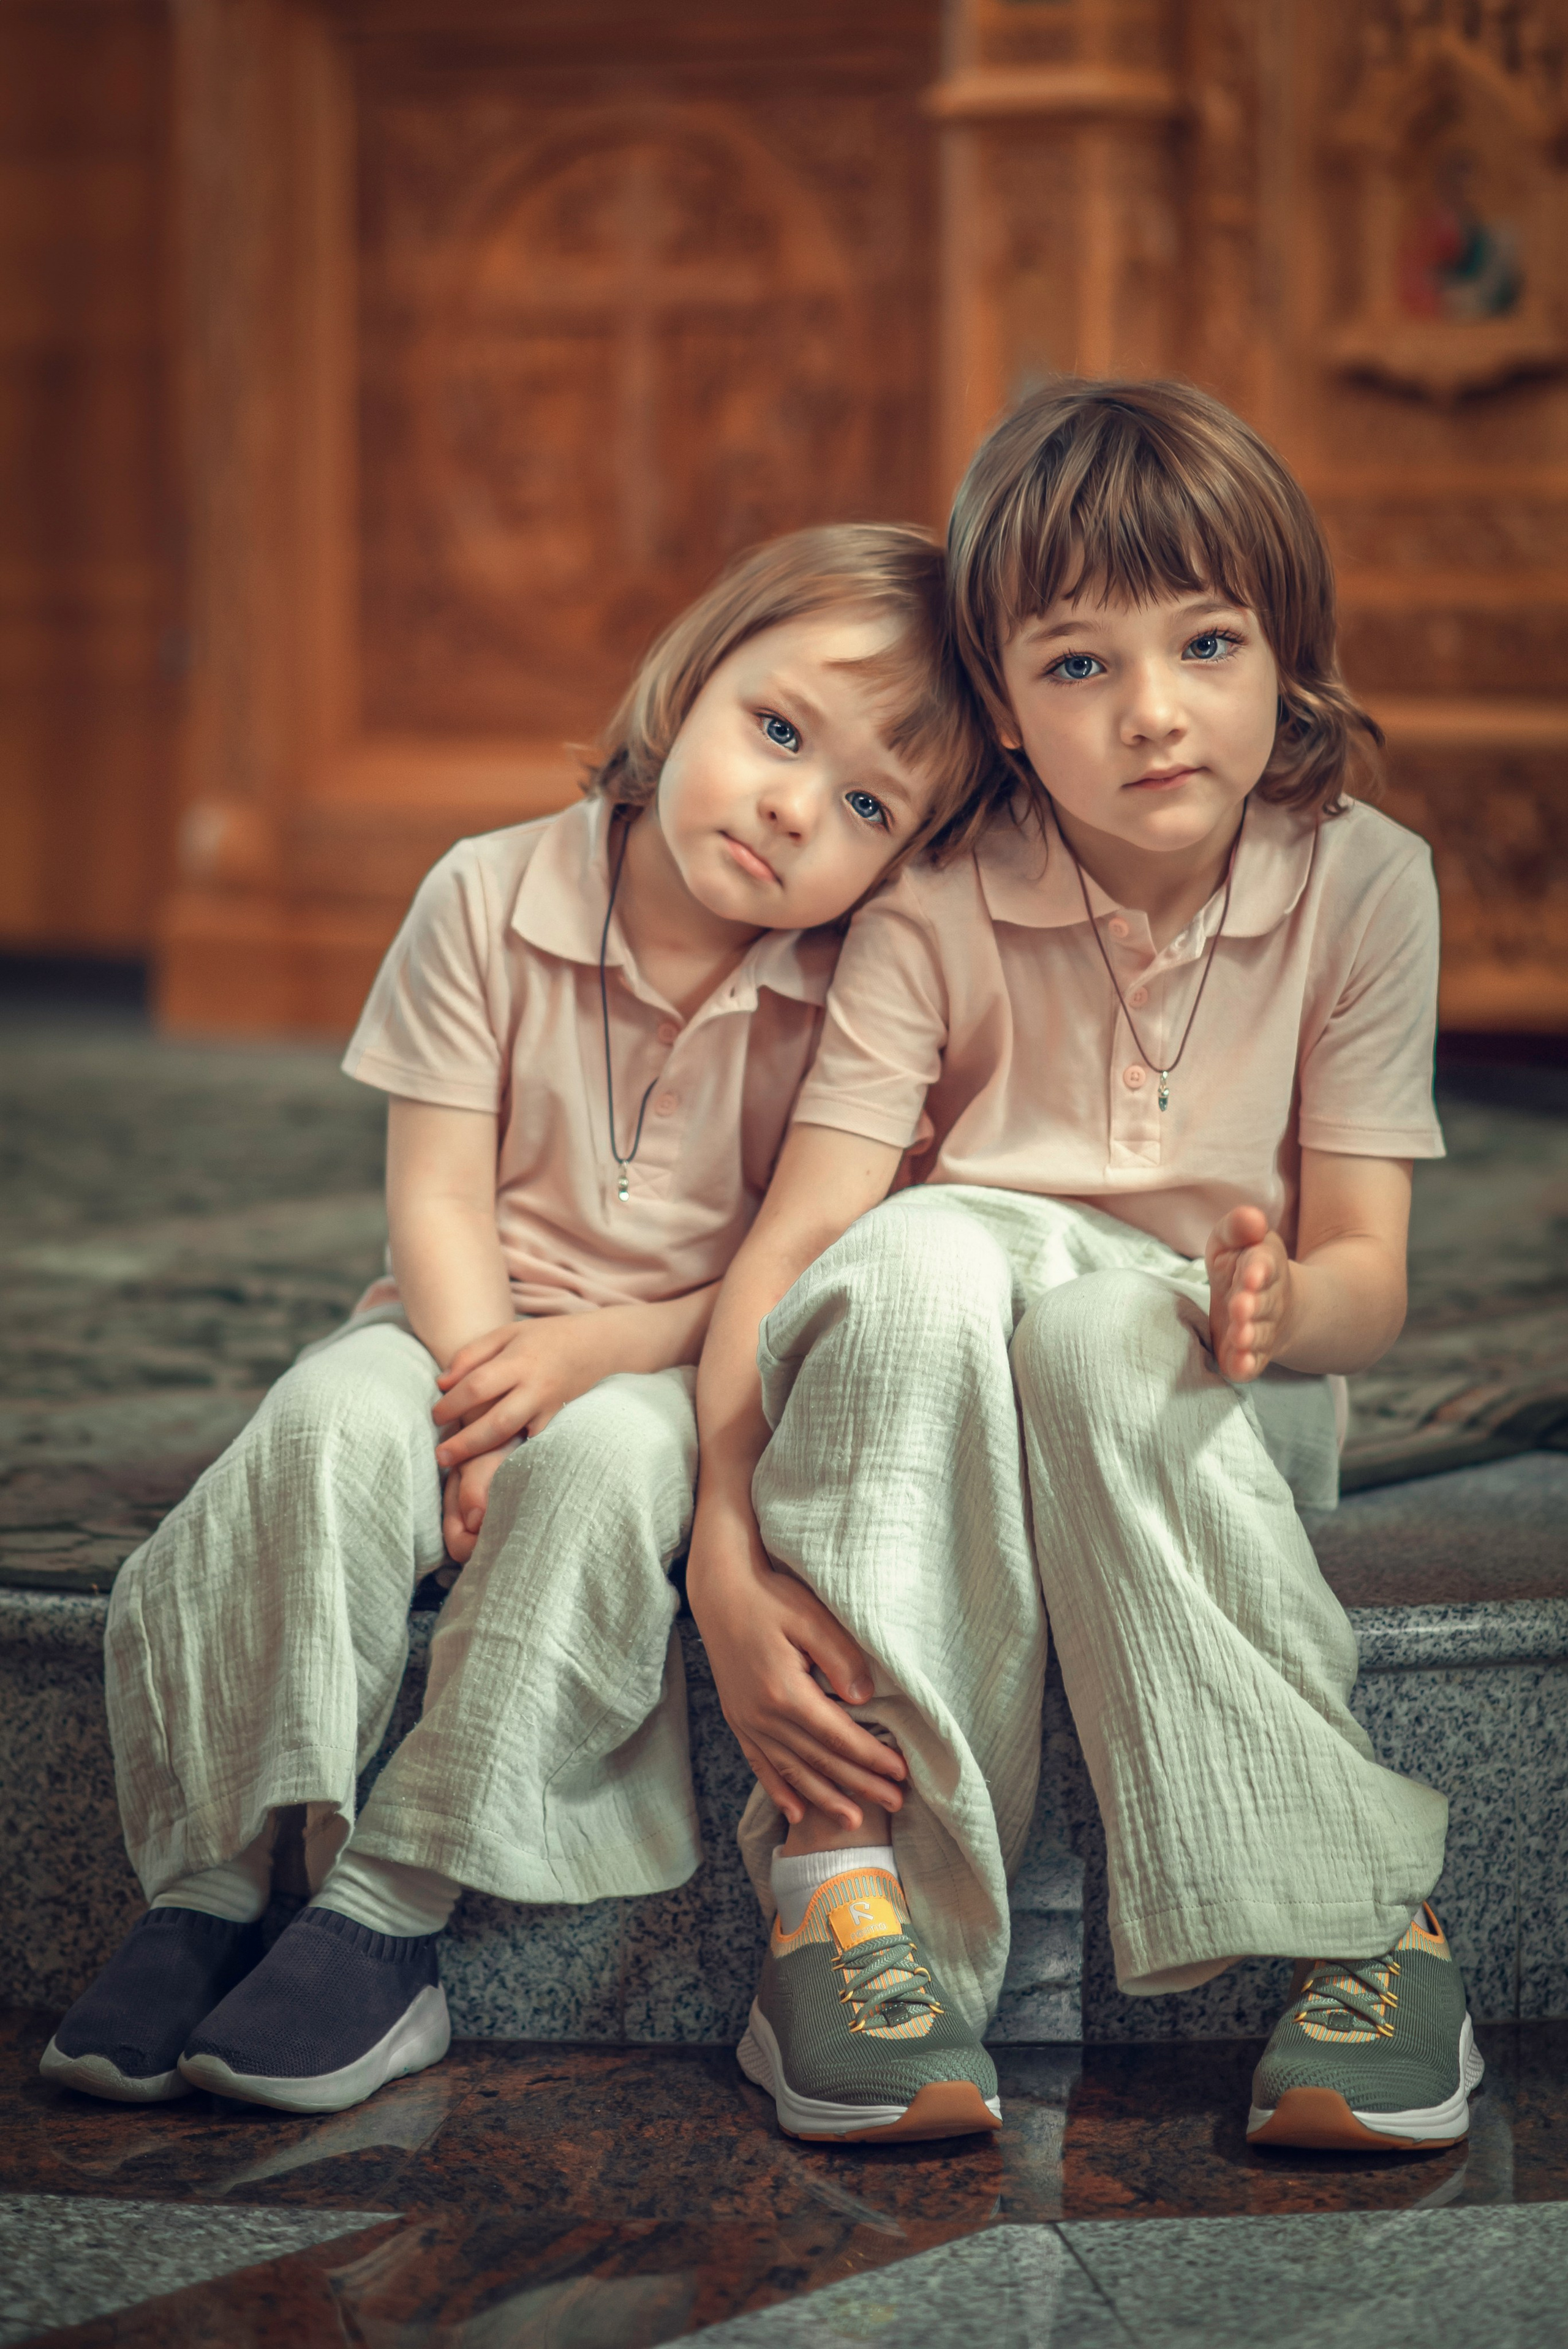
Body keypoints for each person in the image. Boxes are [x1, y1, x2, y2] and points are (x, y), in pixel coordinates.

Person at [42, 526, 1001, 2116]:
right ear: (691, 681)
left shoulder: (851, 989)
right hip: (455, 1312)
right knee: (330, 1420)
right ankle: (211, 1876)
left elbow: (791, 1253)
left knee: (607, 1471)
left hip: (675, 1361)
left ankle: (388, 1907)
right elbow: (434, 1195)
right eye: (777, 730)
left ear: (900, 860)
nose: (790, 808)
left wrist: (582, 1367)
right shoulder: (485, 891)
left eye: (865, 807)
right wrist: (486, 1380)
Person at [686, 380, 1479, 2152]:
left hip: (1207, 1388)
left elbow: (1369, 1273)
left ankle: (1361, 1920)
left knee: (1108, 1344)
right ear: (1002, 708)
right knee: (914, 1255)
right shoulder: (935, 899)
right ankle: (844, 1908)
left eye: (1205, 641)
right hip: (946, 1371)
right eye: (1077, 666)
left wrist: (1277, 1310)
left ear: (1287, 645)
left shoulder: (1367, 882)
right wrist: (724, 1544)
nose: (1154, 714)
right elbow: (800, 1241)